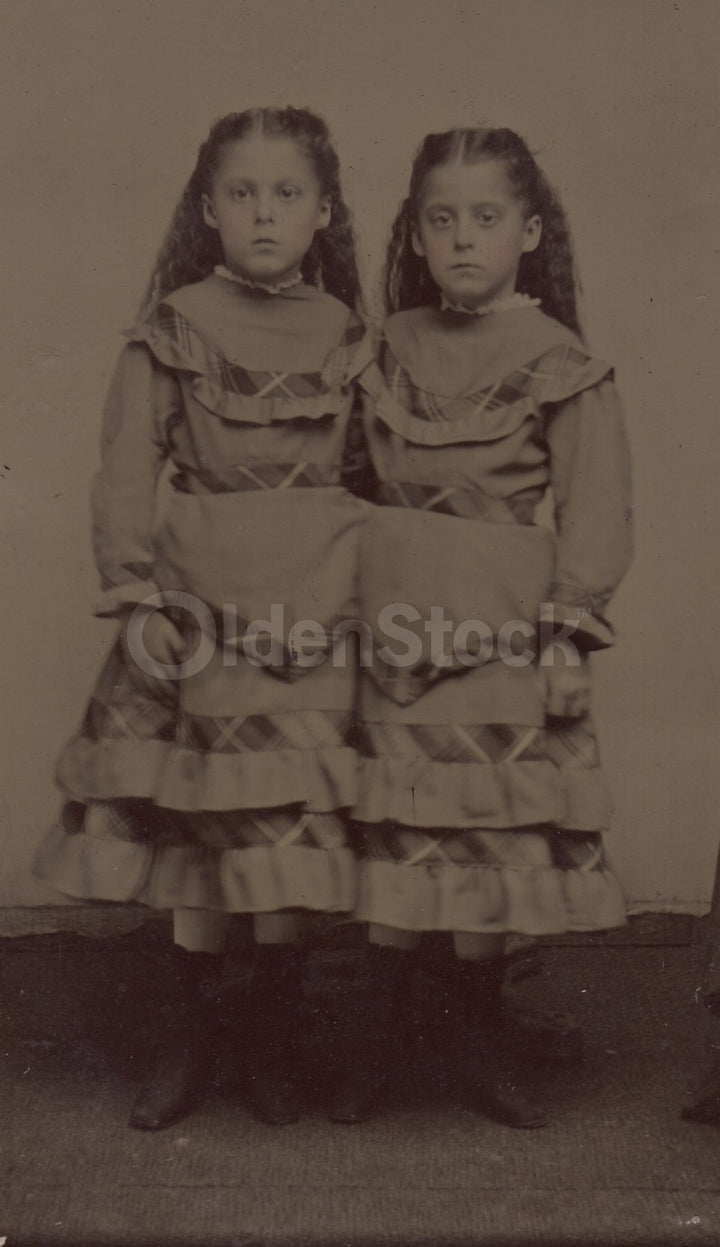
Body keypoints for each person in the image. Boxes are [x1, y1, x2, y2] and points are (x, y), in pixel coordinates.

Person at [33, 107, 371, 1130]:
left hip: (312, 607)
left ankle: (272, 1029)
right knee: (201, 833)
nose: (263, 213)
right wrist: (136, 589)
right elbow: (126, 466)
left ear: (321, 211)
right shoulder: (171, 326)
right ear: (209, 209)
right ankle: (195, 1029)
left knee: (284, 829)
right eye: (241, 193)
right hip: (197, 608)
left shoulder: (352, 336)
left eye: (285, 194)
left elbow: (375, 472)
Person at [331, 126, 633, 1128]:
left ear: (529, 230)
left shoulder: (561, 360)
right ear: (415, 234)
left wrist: (564, 638)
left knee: (483, 842)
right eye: (441, 218)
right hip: (388, 623)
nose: (463, 237)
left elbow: (594, 510)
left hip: (499, 630)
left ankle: (472, 1027)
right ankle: (374, 1037)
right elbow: (344, 480)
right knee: (393, 831)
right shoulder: (385, 348)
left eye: (487, 217)